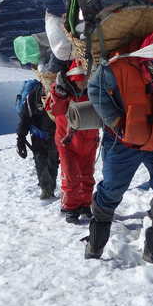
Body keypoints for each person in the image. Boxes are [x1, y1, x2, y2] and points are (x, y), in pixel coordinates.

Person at [84, 27, 153, 271]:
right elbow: (95, 90)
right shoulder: (116, 68)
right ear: (145, 56)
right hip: (121, 141)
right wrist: (116, 122)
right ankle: (96, 243)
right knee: (111, 191)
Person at [45, 62, 99, 224]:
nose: (82, 83)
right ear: (71, 79)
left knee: (87, 175)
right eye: (79, 80)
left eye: (85, 79)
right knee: (71, 176)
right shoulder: (62, 93)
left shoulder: (94, 92)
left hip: (90, 141)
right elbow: (54, 109)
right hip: (67, 142)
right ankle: (70, 207)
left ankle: (85, 204)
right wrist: (58, 93)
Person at [15, 79, 59, 199]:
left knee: (52, 163)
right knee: (41, 162)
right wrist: (21, 138)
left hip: (54, 135)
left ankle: (50, 189)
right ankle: (46, 189)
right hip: (39, 135)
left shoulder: (58, 93)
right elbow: (25, 118)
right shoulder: (32, 97)